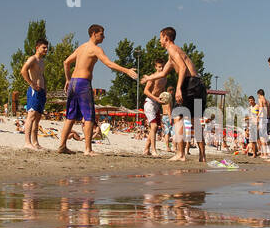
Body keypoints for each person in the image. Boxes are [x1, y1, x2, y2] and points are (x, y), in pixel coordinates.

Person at [59, 25, 137, 155]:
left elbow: (66, 62)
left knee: (70, 116)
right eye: (101, 34)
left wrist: (68, 80)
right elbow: (109, 63)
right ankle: (88, 149)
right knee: (89, 116)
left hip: (73, 82)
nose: (104, 37)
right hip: (83, 83)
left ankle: (62, 146)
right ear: (94, 34)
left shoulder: (81, 47)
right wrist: (126, 70)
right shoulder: (95, 49)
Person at [141, 27, 208, 162]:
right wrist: (149, 78)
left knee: (178, 118)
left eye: (160, 37)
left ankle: (181, 154)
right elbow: (163, 73)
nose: (159, 40)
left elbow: (182, 68)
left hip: (189, 84)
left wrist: (178, 89)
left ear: (166, 37)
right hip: (197, 84)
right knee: (195, 121)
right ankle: (202, 156)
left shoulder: (171, 49)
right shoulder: (174, 52)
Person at [20, 39, 49, 149]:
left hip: (41, 91)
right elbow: (23, 71)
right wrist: (31, 84)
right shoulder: (33, 59)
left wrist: (45, 89)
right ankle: (27, 142)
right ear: (37, 47)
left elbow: (42, 76)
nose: (46, 50)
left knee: (37, 118)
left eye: (46, 48)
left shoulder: (42, 61)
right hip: (34, 91)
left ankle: (35, 142)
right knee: (31, 116)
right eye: (44, 47)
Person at [142, 59, 167, 156]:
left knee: (155, 129)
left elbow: (162, 90)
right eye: (159, 67)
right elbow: (146, 91)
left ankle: (146, 150)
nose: (161, 69)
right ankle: (153, 150)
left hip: (157, 104)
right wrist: (156, 98)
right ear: (156, 67)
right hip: (149, 103)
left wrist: (164, 98)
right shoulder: (152, 77)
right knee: (154, 126)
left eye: (163, 67)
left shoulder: (164, 78)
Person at [255, 89, 270, 157]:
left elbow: (261, 108)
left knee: (262, 137)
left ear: (259, 94)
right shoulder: (267, 101)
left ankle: (264, 154)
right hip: (267, 119)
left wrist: (258, 116)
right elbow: (269, 111)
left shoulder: (260, 99)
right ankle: (269, 153)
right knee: (266, 136)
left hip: (262, 118)